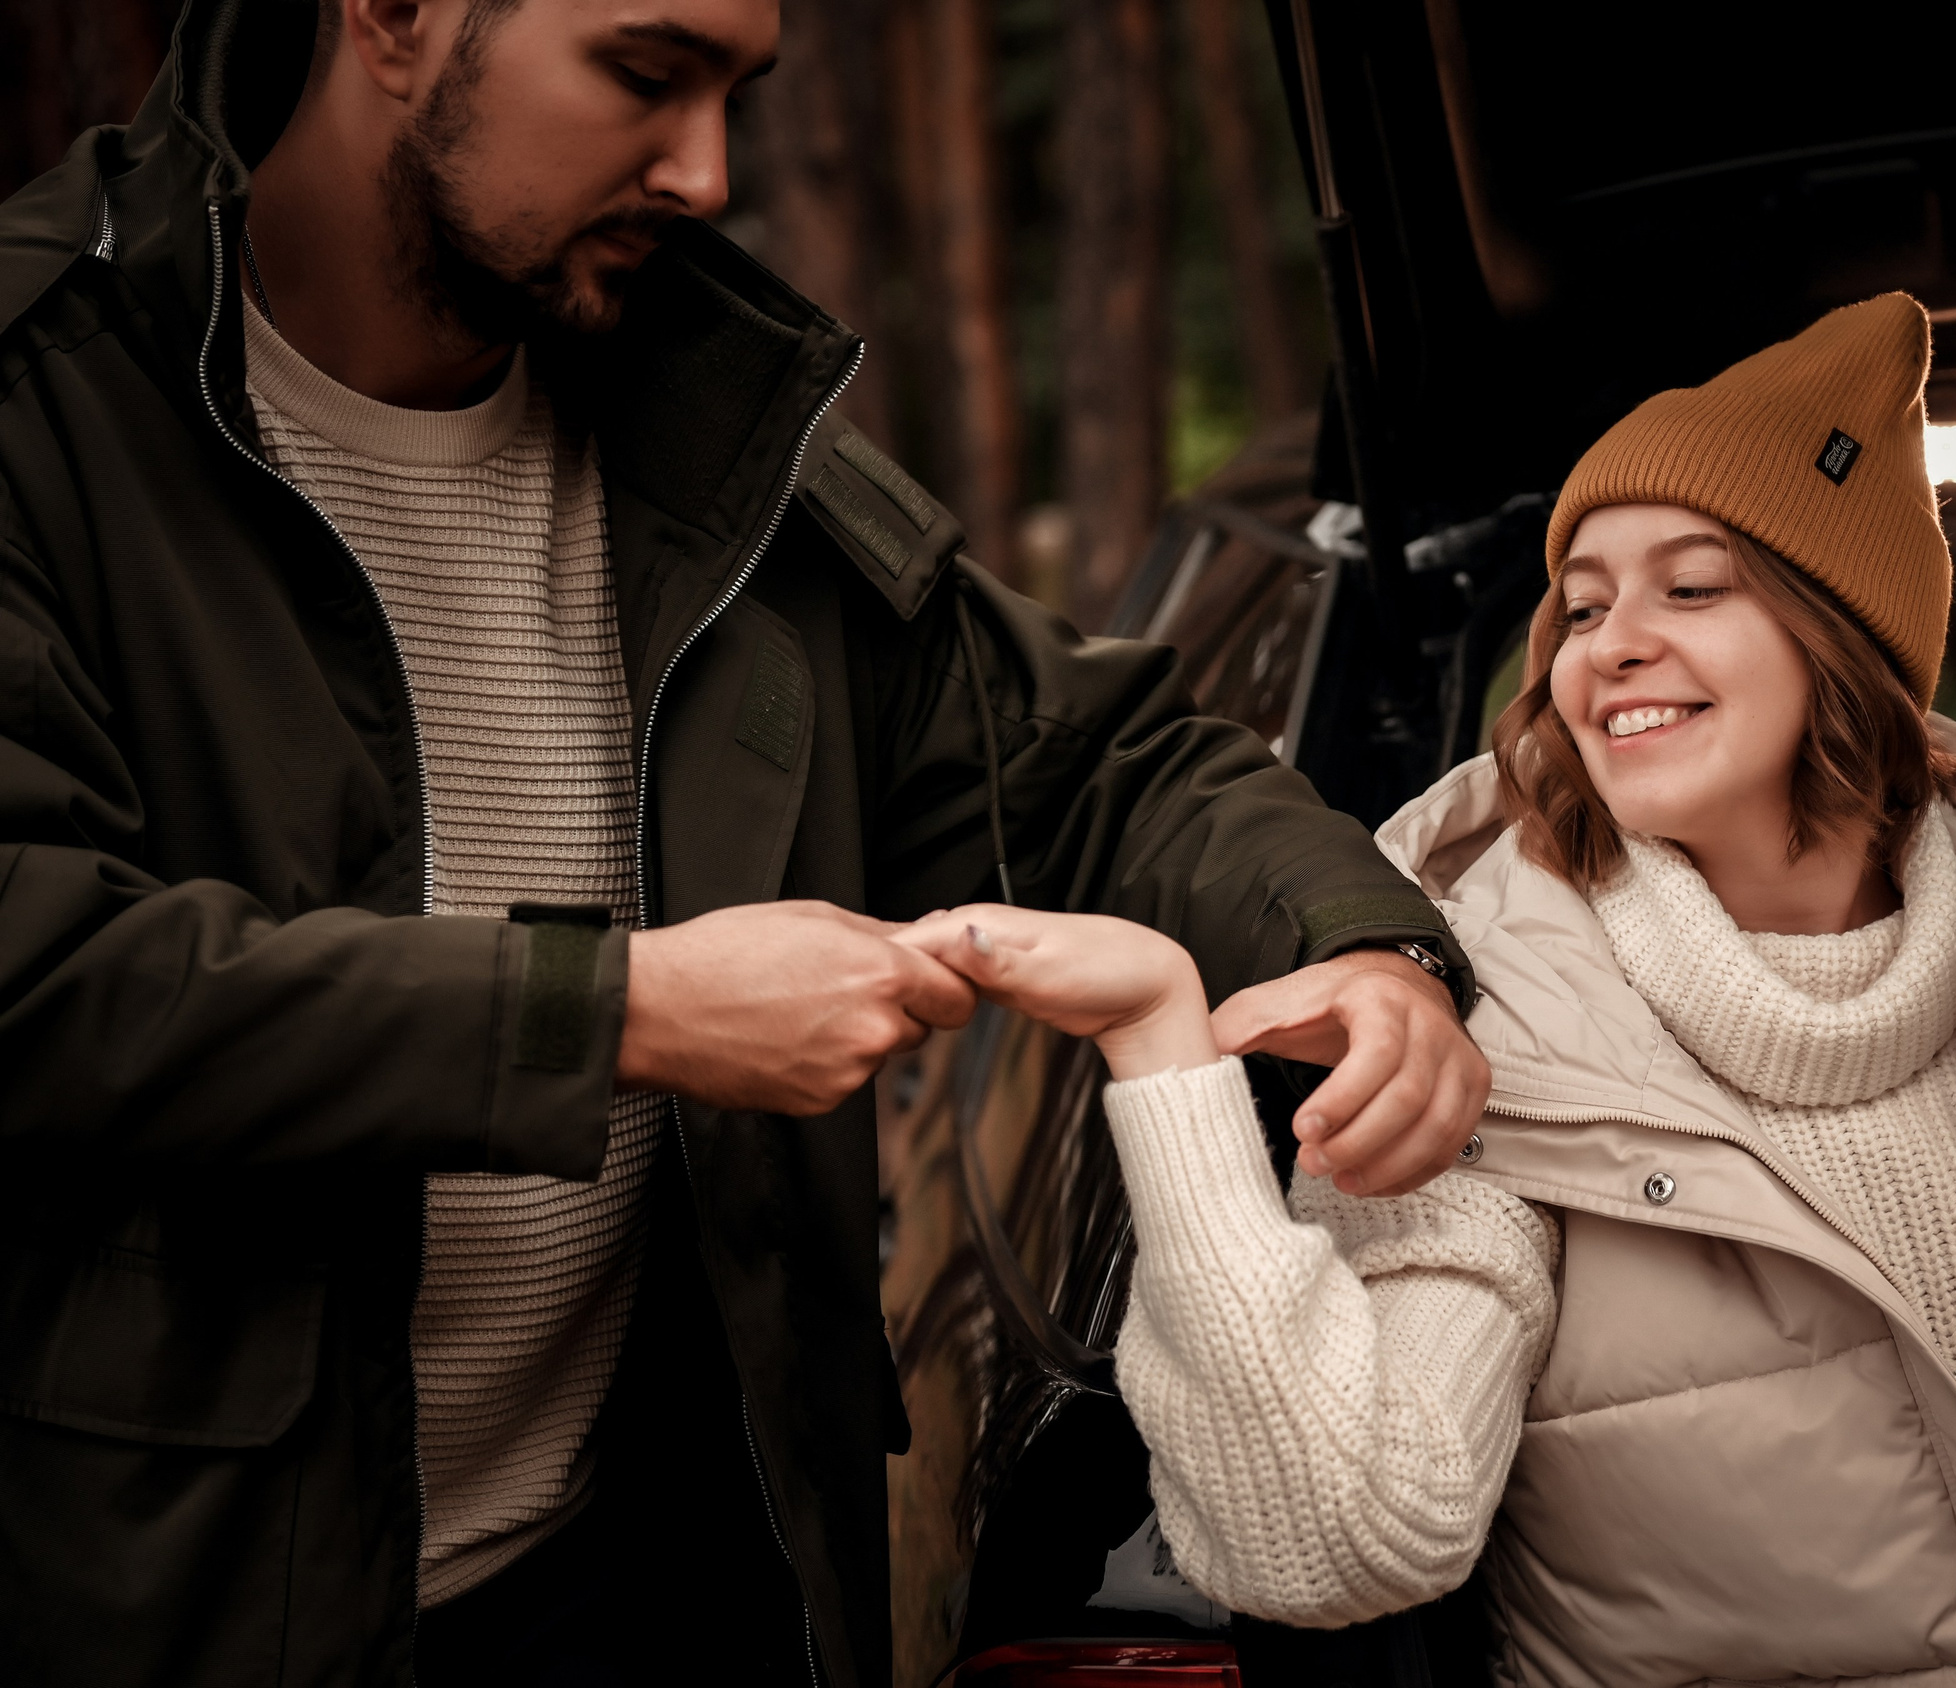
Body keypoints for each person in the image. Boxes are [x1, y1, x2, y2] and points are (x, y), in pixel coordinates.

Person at [0, 1, 1487, 1683]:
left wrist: (1369, 949)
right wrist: (617, 1011)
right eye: (645, 76)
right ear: (395, 20)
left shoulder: (708, 447)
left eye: (737, 95)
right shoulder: (40, 403)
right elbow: (38, 968)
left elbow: (1104, 763)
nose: (707, 174)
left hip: (636, 1594)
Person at [902, 295, 1956, 1686]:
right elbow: (1332, 1540)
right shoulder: (1486, 1035)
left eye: (1693, 588)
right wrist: (1162, 1048)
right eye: (1581, 602)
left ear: (1848, 649)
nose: (1608, 641)